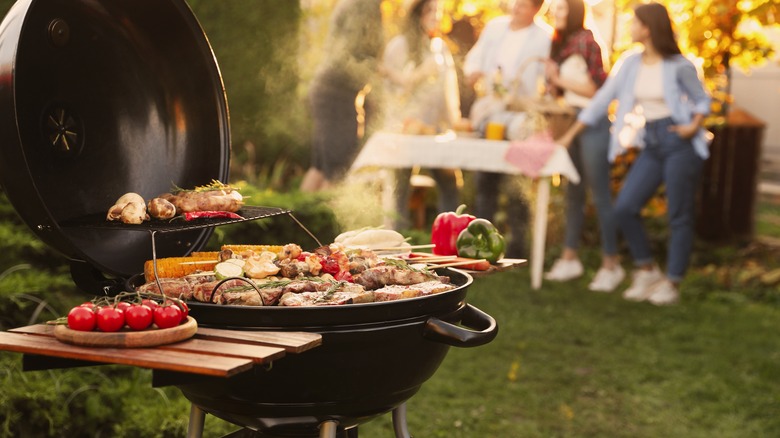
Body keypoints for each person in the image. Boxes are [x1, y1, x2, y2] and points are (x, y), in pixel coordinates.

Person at [556, 2, 711, 305]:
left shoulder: (679, 65)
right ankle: (647, 269)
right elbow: (601, 100)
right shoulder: (630, 63)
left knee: (678, 215)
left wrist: (693, 126)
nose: (629, 26)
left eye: (634, 22)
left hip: (679, 143)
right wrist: (570, 135)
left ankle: (673, 282)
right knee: (625, 207)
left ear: (648, 28)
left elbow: (701, 101)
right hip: (652, 142)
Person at [541, 0, 625, 291]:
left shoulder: (587, 41)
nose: (556, 14)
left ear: (575, 12)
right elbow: (562, 90)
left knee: (600, 194)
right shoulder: (560, 44)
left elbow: (595, 89)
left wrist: (558, 78)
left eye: (562, 9)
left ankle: (611, 263)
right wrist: (552, 84)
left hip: (593, 125)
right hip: (569, 123)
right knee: (573, 192)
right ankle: (569, 257)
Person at [462, 0, 551, 257]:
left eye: (524, 5)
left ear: (537, 9)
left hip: (520, 117)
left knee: (517, 182)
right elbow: (475, 59)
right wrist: (473, 72)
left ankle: (518, 244)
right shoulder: (495, 27)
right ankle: (479, 242)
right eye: (516, 2)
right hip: (490, 112)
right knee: (486, 180)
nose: (516, 8)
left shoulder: (543, 38)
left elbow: (545, 80)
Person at [381, 0, 461, 228]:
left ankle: (450, 240)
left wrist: (453, 121)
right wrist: (418, 75)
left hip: (434, 130)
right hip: (404, 130)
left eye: (438, 11)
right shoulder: (399, 46)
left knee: (450, 184)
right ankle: (394, 246)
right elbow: (392, 94)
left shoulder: (440, 47)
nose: (435, 16)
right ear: (417, 14)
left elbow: (448, 92)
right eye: (430, 11)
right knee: (399, 190)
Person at [300, 0, 384, 192]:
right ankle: (324, 221)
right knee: (336, 173)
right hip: (337, 96)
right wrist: (381, 73)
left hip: (329, 92)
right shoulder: (363, 6)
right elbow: (348, 55)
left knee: (320, 168)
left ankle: (298, 220)